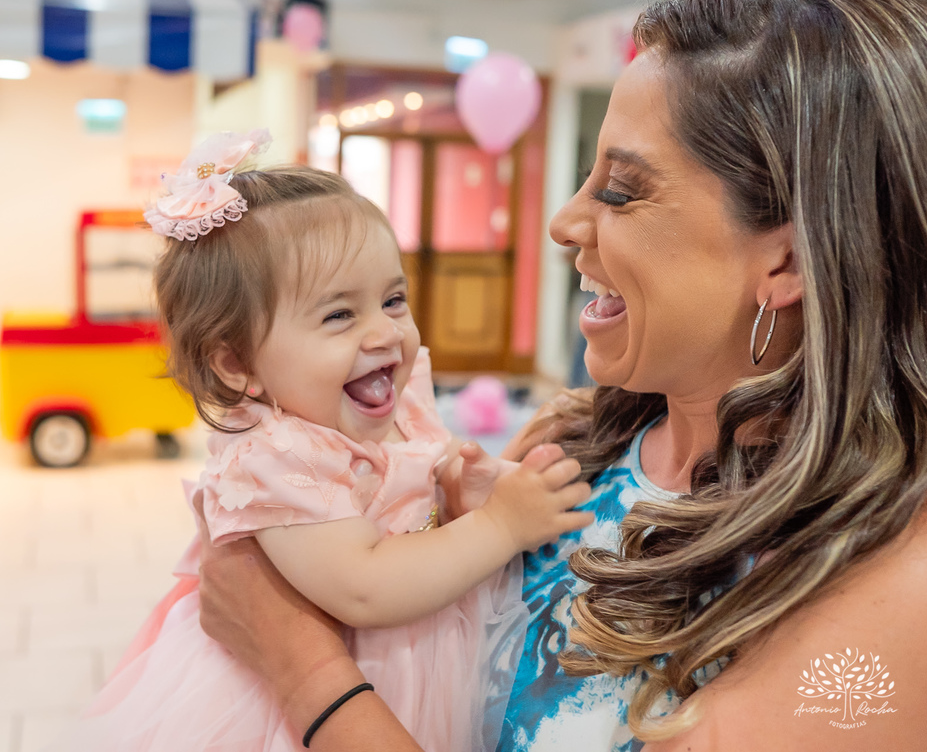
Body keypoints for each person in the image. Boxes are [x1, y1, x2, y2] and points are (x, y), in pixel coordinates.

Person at [189, 0, 927, 752]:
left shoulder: (905, 578)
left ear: (787, 264)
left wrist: (303, 668)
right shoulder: (575, 445)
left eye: (620, 191)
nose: (563, 220)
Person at [54, 131, 593, 751]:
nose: (385, 334)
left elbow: (420, 468)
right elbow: (363, 585)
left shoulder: (396, 397)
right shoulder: (270, 460)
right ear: (236, 362)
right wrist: (500, 526)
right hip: (310, 704)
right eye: (339, 315)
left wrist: (458, 486)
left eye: (393, 300)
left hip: (414, 670)